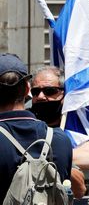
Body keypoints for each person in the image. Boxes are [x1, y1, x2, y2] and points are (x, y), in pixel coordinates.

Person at [0, 54, 73, 199]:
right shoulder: (60, 140)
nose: (41, 96)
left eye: (50, 91)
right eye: (36, 91)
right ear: (28, 90)